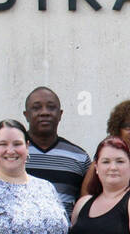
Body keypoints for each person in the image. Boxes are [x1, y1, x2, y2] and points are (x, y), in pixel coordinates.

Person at [22, 86, 90, 216]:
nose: (44, 112)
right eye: (36, 108)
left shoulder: (79, 157)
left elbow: (88, 204)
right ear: (26, 115)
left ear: (60, 114)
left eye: (51, 107)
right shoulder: (7, 154)